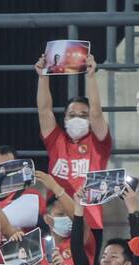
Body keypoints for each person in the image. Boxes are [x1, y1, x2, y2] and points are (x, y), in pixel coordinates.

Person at [37, 51, 112, 237]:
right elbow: (44, 110)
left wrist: (91, 76)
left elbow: (96, 113)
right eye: (72, 115)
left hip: (89, 222)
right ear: (64, 119)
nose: (77, 119)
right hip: (56, 218)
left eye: (83, 115)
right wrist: (43, 76)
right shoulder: (56, 140)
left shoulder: (99, 143)